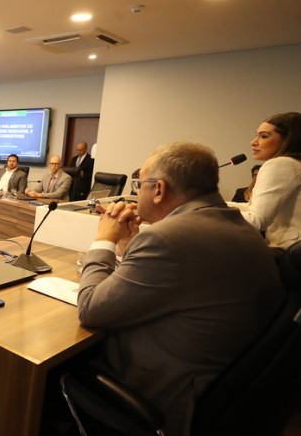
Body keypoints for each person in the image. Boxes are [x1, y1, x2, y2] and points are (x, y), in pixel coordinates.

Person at [77, 142, 283, 436]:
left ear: (159, 189)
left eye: (139, 185)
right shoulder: (239, 227)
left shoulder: (167, 239)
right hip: (222, 387)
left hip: (166, 393)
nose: (136, 193)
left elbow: (90, 309)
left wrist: (104, 240)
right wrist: (128, 247)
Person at [231, 112, 301, 249]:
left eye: (264, 136)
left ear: (288, 140)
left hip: (294, 256)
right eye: (256, 135)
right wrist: (211, 204)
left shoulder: (281, 164)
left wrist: (206, 216)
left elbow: (257, 221)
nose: (253, 142)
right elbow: (254, 209)